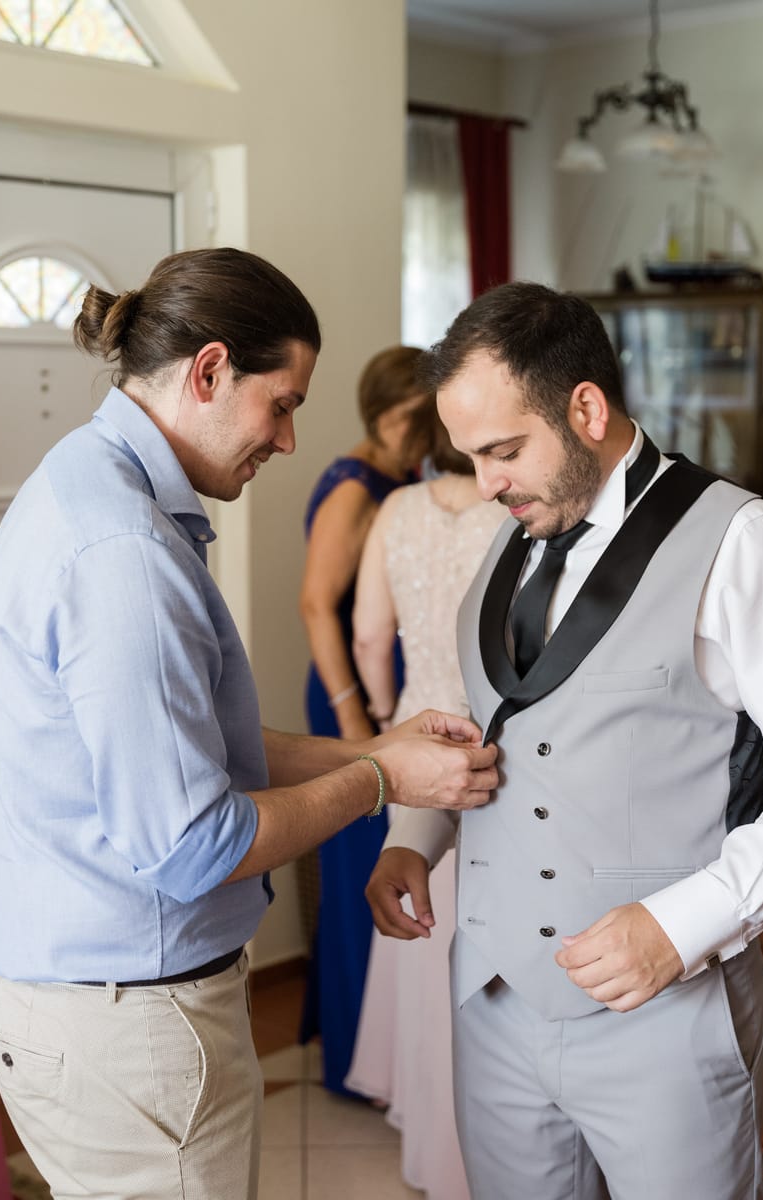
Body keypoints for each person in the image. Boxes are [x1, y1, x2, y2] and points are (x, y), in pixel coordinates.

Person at [0, 247, 500, 1200]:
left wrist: (374, 744)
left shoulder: (86, 480)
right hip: (125, 1024)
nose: (290, 441)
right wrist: (381, 781)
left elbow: (198, 752)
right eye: (283, 403)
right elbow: (195, 845)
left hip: (72, 993)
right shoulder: (123, 553)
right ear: (210, 371)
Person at [365, 280, 763, 1200]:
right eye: (470, 457)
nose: (484, 484)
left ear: (585, 408)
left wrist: (684, 927)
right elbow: (496, 728)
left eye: (503, 451)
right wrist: (412, 841)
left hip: (667, 1016)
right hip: (496, 1009)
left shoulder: (739, 541)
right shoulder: (513, 532)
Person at [345, 398, 506, 1199]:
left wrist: (383, 719)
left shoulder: (394, 510)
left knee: (418, 930)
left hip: (415, 746)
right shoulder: (511, 510)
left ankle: (429, 1127)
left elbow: (370, 634)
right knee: (482, 952)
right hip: (493, 755)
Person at [298, 345, 429, 1095]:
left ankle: (381, 1054)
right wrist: (355, 719)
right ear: (387, 416)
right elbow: (318, 605)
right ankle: (355, 1061)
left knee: (383, 864)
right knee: (362, 872)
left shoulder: (401, 479)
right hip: (349, 696)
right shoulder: (354, 486)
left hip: (380, 692)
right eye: (418, 417)